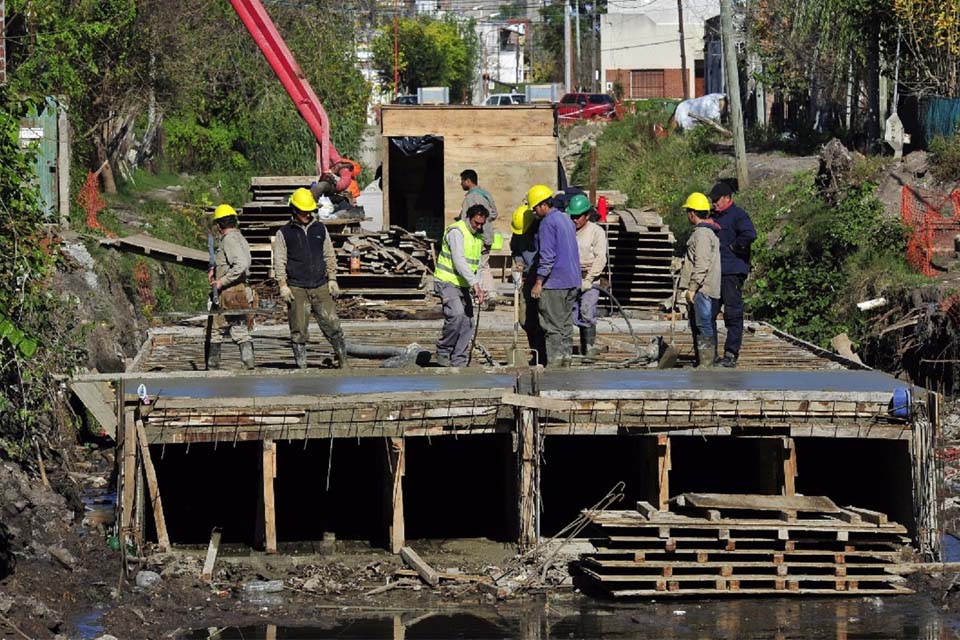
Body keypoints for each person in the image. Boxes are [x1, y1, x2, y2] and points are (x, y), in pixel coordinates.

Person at [273, 188, 348, 369]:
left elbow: (329, 254)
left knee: (333, 325)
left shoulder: (320, 229)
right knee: (298, 329)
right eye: (303, 211)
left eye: (309, 211)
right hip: (297, 288)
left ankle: (343, 360)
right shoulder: (284, 233)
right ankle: (302, 366)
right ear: (295, 210)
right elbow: (280, 260)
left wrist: (332, 279)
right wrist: (282, 284)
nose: (307, 215)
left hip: (320, 285)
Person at [528, 184, 580, 367]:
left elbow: (548, 256)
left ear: (543, 205)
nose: (534, 212)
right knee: (566, 326)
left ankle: (556, 367)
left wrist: (539, 281)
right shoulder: (566, 219)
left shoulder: (547, 223)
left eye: (535, 208)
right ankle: (566, 362)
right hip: (573, 281)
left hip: (556, 283)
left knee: (553, 327)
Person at [708, 181, 757, 367]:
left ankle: (730, 353)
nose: (714, 203)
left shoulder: (738, 215)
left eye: (716, 200)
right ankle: (709, 353)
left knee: (733, 313)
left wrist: (734, 247)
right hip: (715, 273)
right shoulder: (715, 217)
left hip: (732, 272)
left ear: (727, 198)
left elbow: (750, 234)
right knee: (709, 313)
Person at [434, 203, 489, 367]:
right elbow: (459, 261)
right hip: (447, 281)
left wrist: (478, 286)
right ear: (469, 218)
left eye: (481, 224)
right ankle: (444, 351)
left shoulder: (477, 237)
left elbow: (477, 265)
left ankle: (459, 361)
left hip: (464, 284)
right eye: (476, 223)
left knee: (468, 322)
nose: (478, 227)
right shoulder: (456, 232)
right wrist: (474, 284)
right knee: (457, 314)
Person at [207, 204, 256, 370]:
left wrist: (222, 281)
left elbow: (241, 263)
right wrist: (215, 269)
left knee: (216, 332)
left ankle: (213, 369)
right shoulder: (240, 238)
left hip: (228, 293)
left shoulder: (228, 240)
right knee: (241, 331)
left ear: (219, 225)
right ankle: (249, 365)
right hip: (240, 292)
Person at [678, 192, 722, 368]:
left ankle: (706, 364)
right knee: (701, 324)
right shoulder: (707, 232)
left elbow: (701, 263)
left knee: (703, 325)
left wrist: (693, 287)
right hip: (704, 287)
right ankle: (703, 361)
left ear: (692, 213)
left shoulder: (702, 235)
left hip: (702, 289)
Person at [567, 194, 608, 358]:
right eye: (573, 216)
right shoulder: (568, 230)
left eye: (578, 216)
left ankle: (589, 348)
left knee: (587, 311)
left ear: (587, 215)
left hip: (590, 277)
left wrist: (589, 279)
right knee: (570, 314)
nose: (575, 220)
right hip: (571, 276)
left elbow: (600, 258)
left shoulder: (596, 232)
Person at [458, 169, 498, 306]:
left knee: (476, 267)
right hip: (488, 235)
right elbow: (494, 214)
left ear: (468, 181)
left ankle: (481, 296)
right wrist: (485, 223)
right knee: (485, 265)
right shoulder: (485, 194)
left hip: (477, 238)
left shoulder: (470, 198)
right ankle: (491, 293)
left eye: (462, 180)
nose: (461, 183)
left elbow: (464, 220)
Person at [509, 204, 544, 362]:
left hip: (542, 278)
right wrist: (518, 262)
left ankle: (544, 355)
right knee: (525, 319)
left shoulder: (541, 231)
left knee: (542, 319)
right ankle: (535, 351)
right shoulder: (517, 234)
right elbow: (516, 251)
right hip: (528, 278)